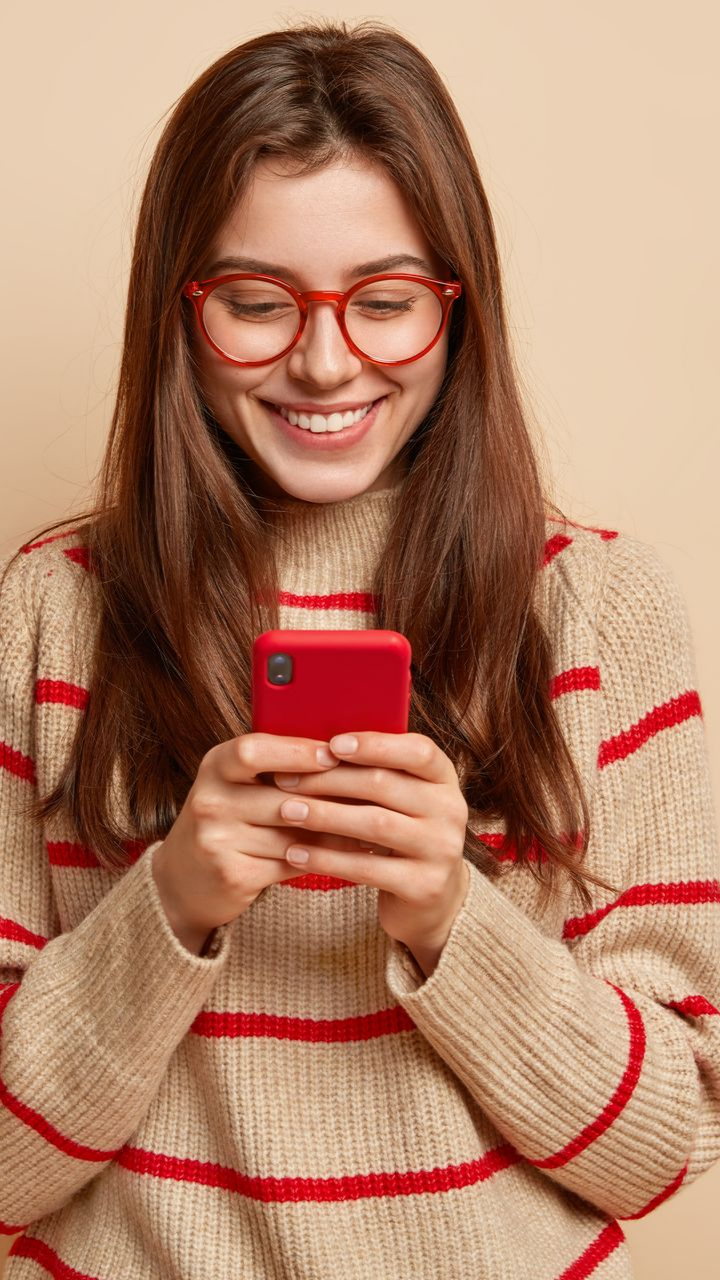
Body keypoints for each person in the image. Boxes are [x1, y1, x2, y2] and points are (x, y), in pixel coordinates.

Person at [1, 18, 719, 1280]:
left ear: (459, 307)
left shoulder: (600, 610)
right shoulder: (49, 610)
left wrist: (451, 915)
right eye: (255, 302)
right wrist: (167, 901)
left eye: (385, 302)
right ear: (180, 305)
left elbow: (666, 1146)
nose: (324, 359)